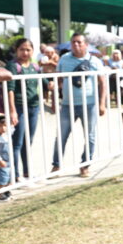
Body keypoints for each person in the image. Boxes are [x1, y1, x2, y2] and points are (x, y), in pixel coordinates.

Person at [51, 33, 107, 177]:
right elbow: (57, 81)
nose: (76, 45)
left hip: (89, 104)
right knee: (61, 136)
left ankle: (85, 165)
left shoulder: (95, 61)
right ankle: (56, 166)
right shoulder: (64, 59)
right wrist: (54, 100)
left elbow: (102, 83)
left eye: (79, 42)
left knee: (90, 136)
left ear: (86, 45)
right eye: (73, 42)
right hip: (67, 104)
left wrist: (102, 103)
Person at [6, 38, 44, 181]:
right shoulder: (12, 66)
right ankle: (15, 175)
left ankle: (27, 171)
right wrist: (12, 110)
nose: (25, 52)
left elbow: (43, 81)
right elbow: (10, 90)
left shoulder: (35, 66)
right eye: (22, 49)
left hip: (34, 108)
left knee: (28, 141)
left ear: (33, 51)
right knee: (17, 142)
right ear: (16, 50)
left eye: (28, 49)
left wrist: (52, 84)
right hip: (19, 107)